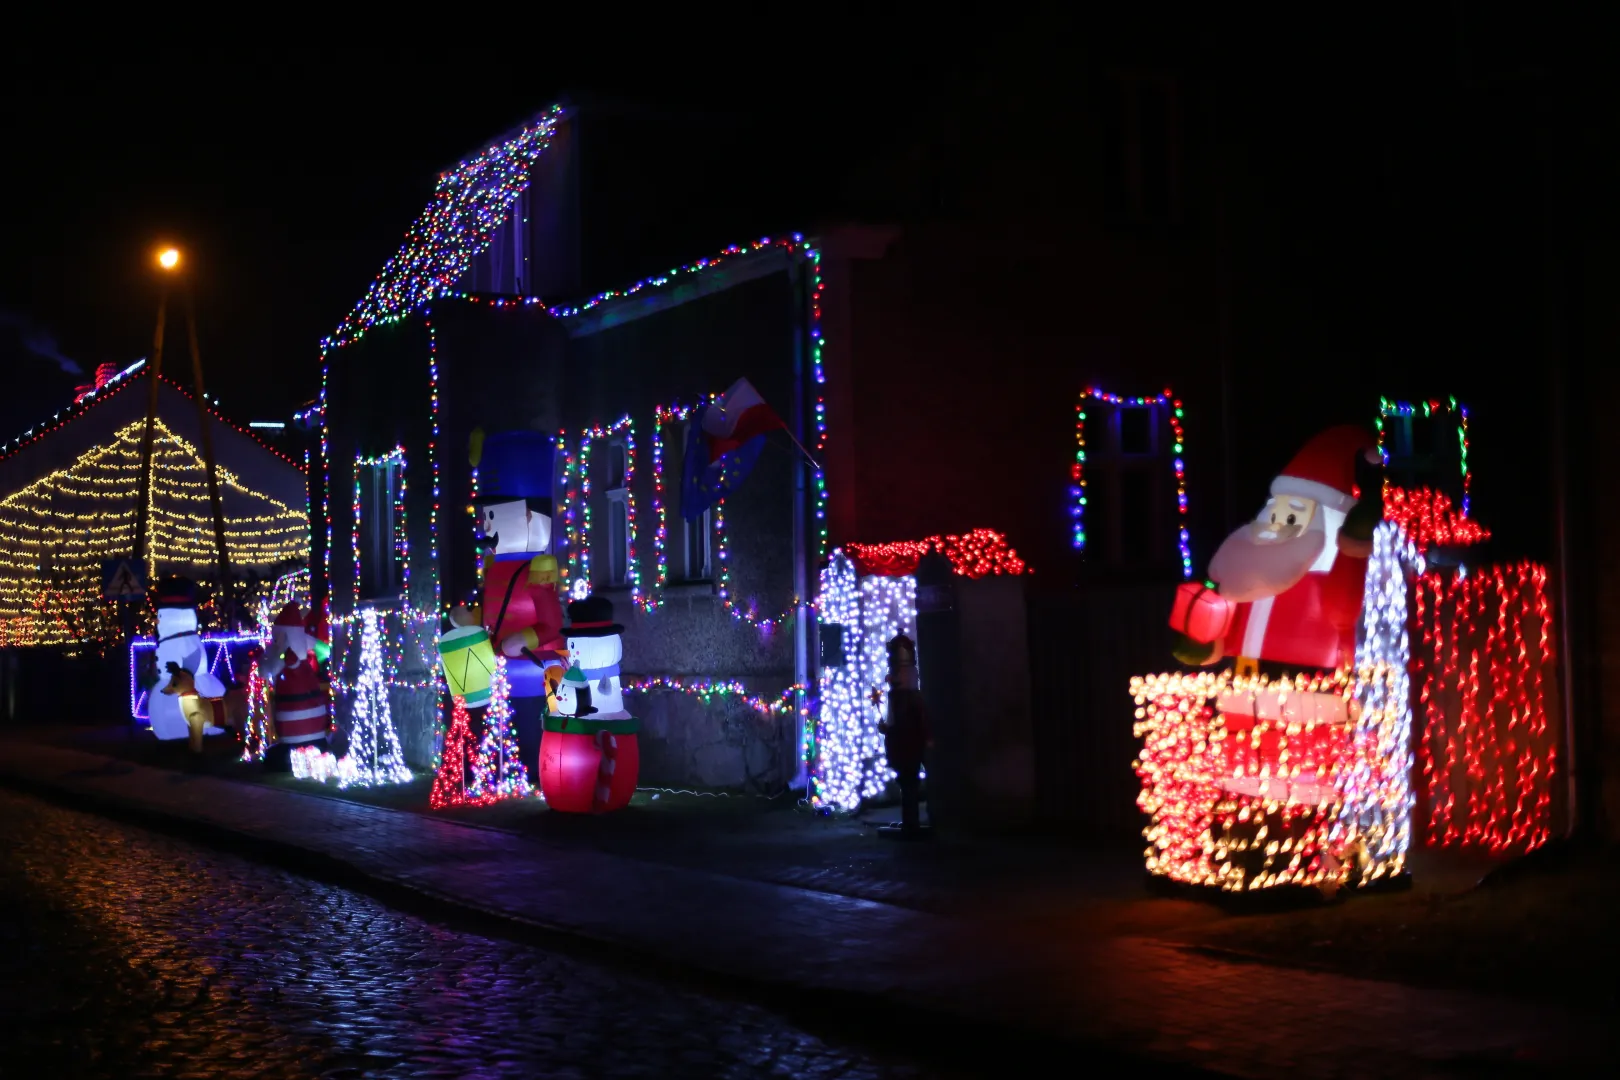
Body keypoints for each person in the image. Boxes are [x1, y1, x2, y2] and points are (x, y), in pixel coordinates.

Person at [880, 632, 931, 838]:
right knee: (908, 783)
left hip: (907, 745)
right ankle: (911, 822)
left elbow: (904, 723)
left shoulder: (907, 697)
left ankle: (912, 825)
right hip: (907, 746)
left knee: (909, 784)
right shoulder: (904, 696)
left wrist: (888, 729)